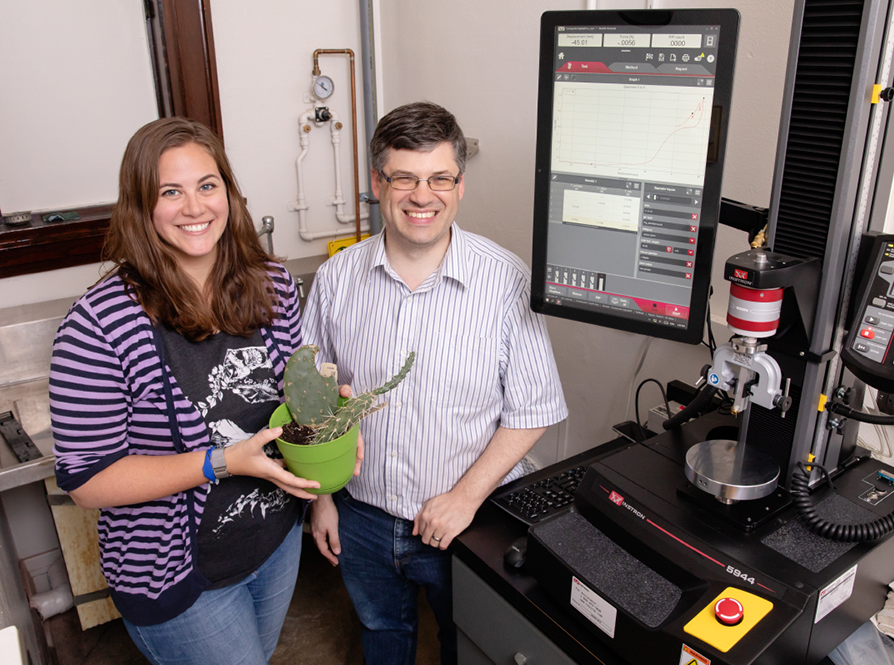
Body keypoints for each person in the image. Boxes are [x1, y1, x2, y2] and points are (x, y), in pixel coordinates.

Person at [50, 117, 350, 664]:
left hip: (274, 542)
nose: (194, 208)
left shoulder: (273, 286)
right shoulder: (100, 323)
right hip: (179, 579)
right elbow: (87, 481)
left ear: (228, 194)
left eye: (207, 186)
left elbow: (300, 407)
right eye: (170, 191)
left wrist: (324, 490)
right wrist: (222, 462)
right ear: (141, 207)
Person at [302, 101, 568, 665]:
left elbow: (534, 408)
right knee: (381, 633)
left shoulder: (505, 281)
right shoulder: (336, 279)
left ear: (460, 184)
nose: (423, 196)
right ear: (378, 183)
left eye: (439, 178)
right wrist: (323, 500)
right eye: (404, 178)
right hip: (362, 515)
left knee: (466, 643)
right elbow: (315, 398)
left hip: (466, 520)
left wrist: (464, 499)